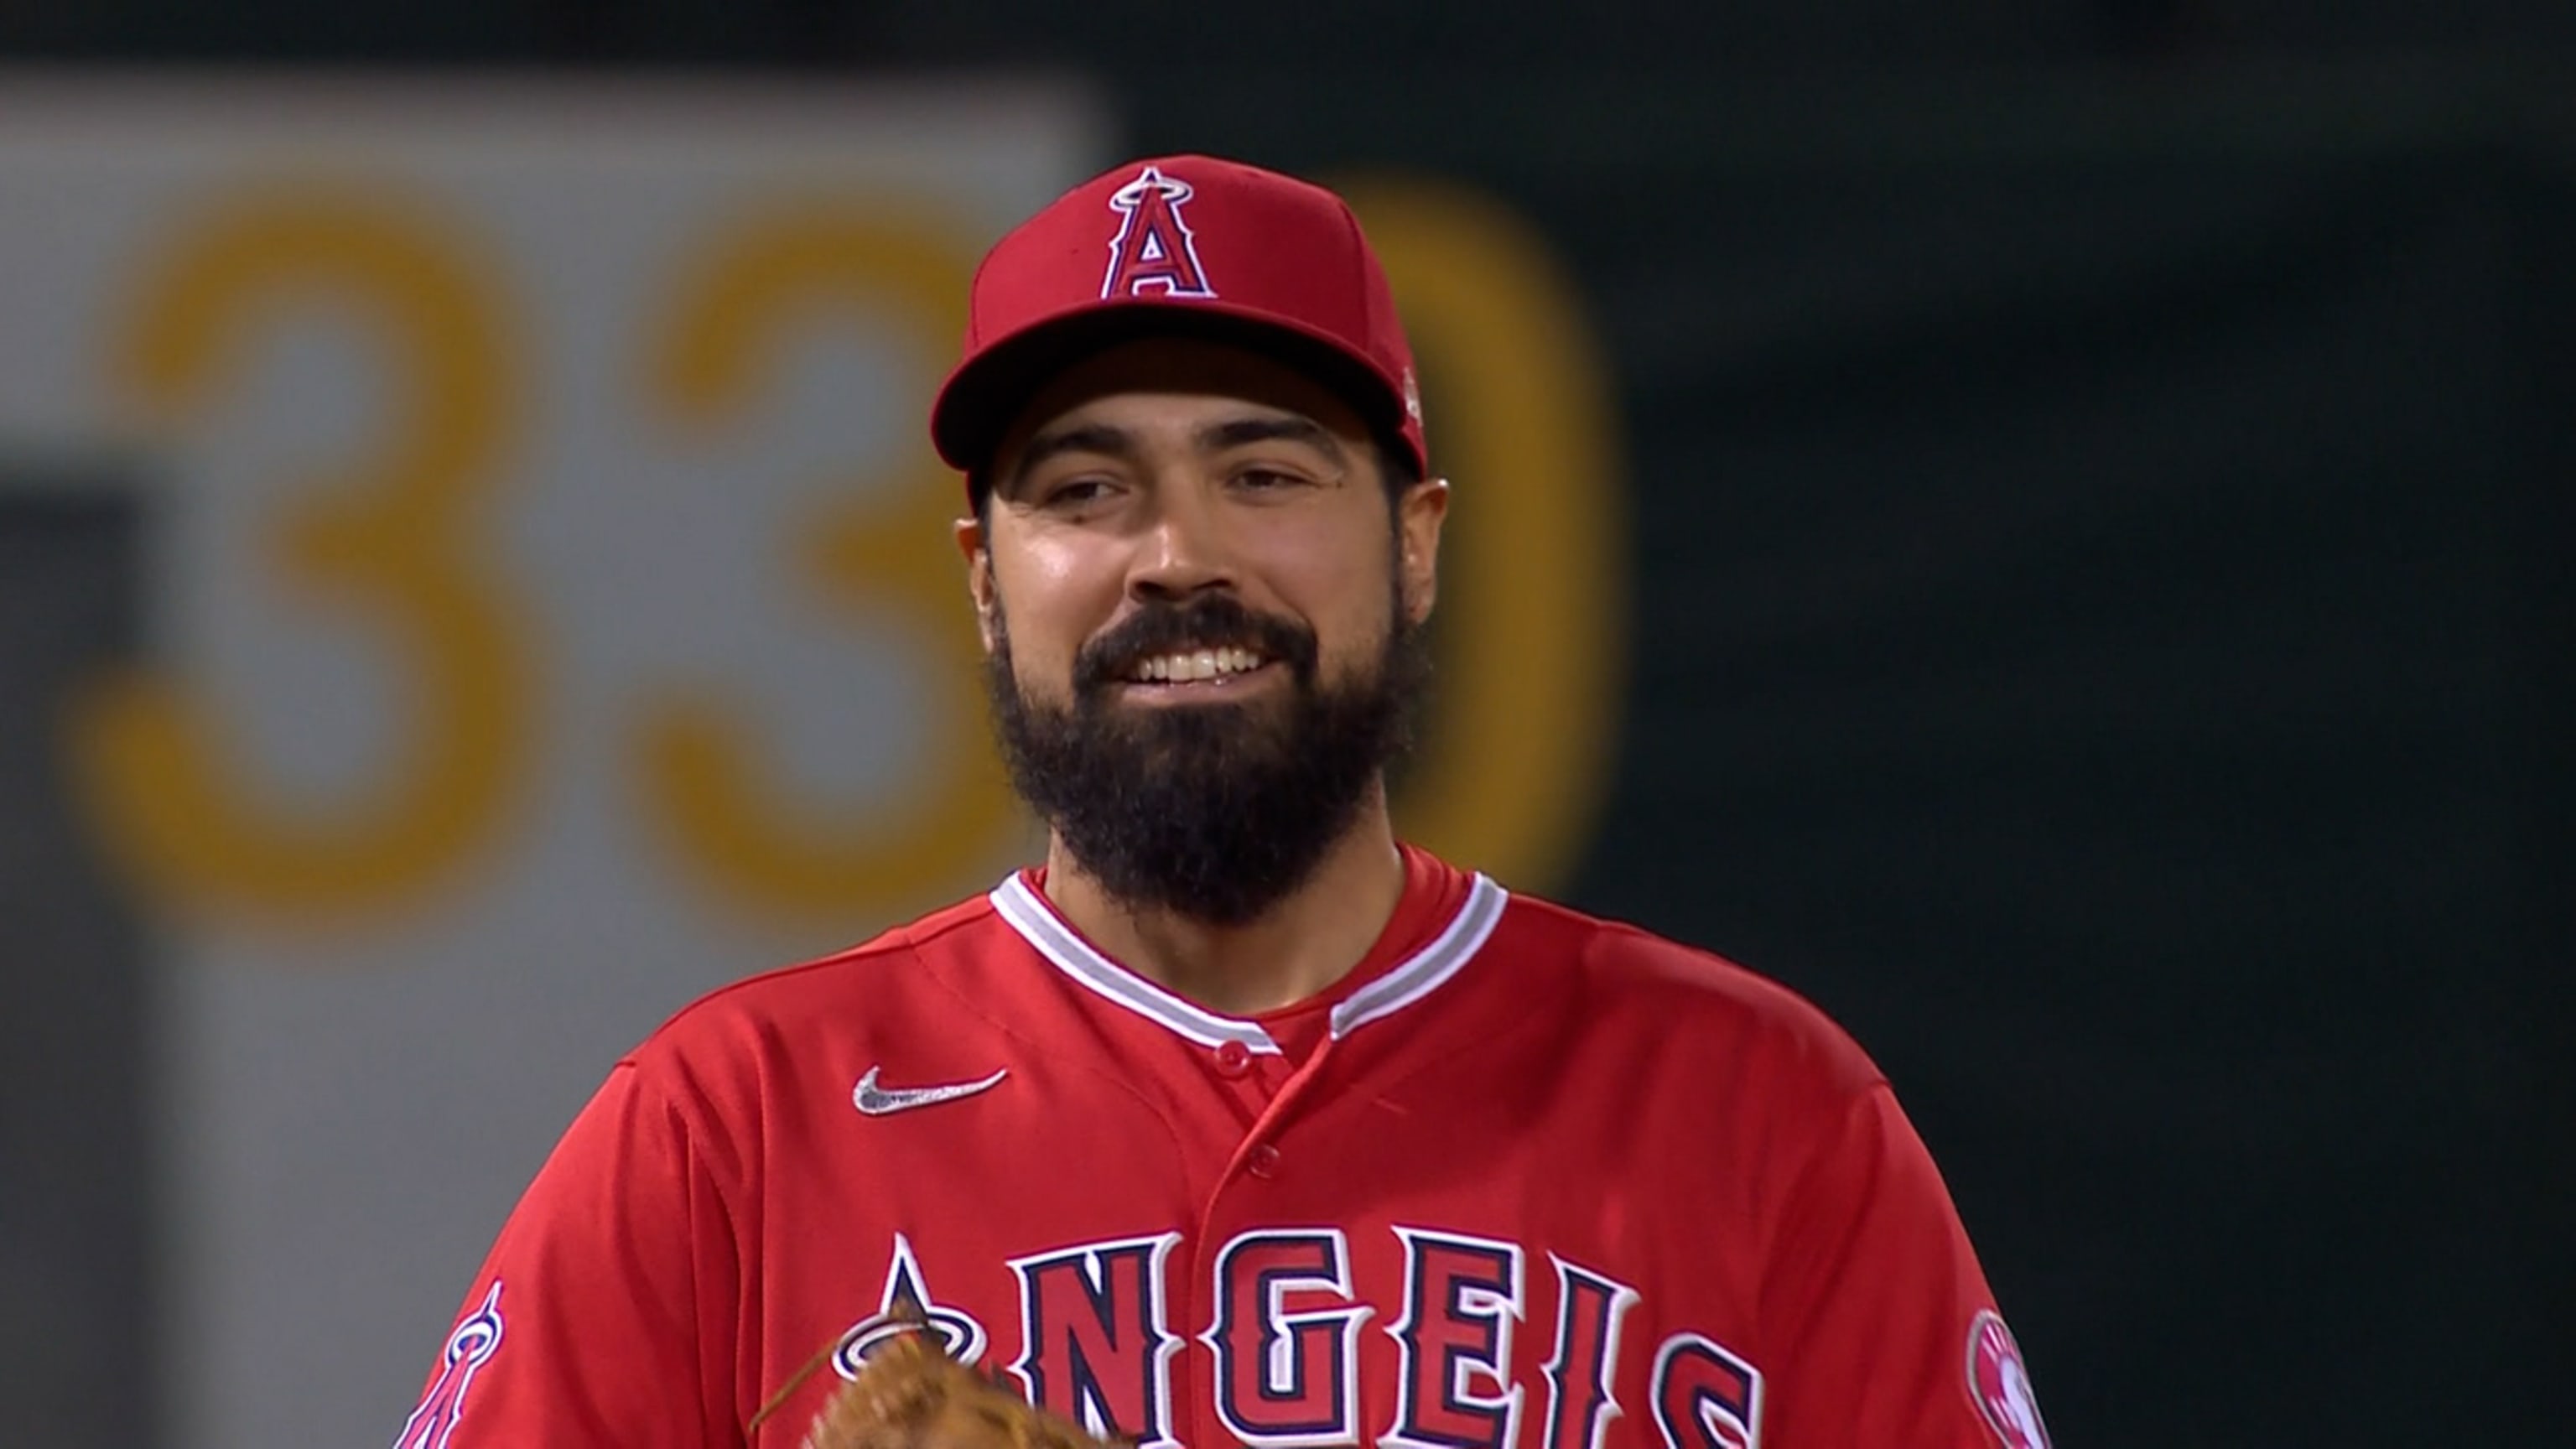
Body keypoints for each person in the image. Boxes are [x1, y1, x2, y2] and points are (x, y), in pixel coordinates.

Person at [394, 154, 2051, 1449]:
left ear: (1415, 542)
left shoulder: (1756, 1112)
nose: (1178, 556)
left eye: (1265, 474)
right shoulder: (738, 1130)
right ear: (986, 577)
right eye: (1087, 489)